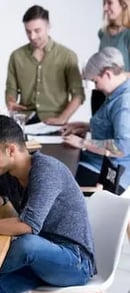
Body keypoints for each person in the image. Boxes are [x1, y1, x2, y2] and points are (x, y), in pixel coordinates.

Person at [0, 115, 95, 293]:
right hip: (36, 261)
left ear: (11, 150)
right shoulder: (9, 171)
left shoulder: (46, 171)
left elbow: (27, 226)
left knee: (25, 244)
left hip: (74, 263)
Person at [62, 47, 130, 192]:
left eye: (95, 81)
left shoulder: (124, 103)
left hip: (110, 172)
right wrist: (86, 126)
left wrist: (83, 142)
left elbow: (122, 147)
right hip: (97, 161)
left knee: (59, 181)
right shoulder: (117, 92)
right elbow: (113, 126)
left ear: (107, 74)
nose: (96, 87)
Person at [5, 5, 85, 125]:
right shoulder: (16, 56)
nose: (32, 36)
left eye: (37, 31)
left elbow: (78, 94)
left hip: (54, 123)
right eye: (28, 31)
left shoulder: (67, 56)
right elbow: (11, 89)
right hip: (25, 122)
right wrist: (10, 101)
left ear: (48, 26)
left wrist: (62, 119)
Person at [91, 0, 130, 113]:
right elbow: (100, 65)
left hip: (122, 99)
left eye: (109, 3)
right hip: (101, 97)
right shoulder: (103, 33)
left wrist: (116, 76)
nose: (105, 8)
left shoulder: (127, 35)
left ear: (123, 4)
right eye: (104, 4)